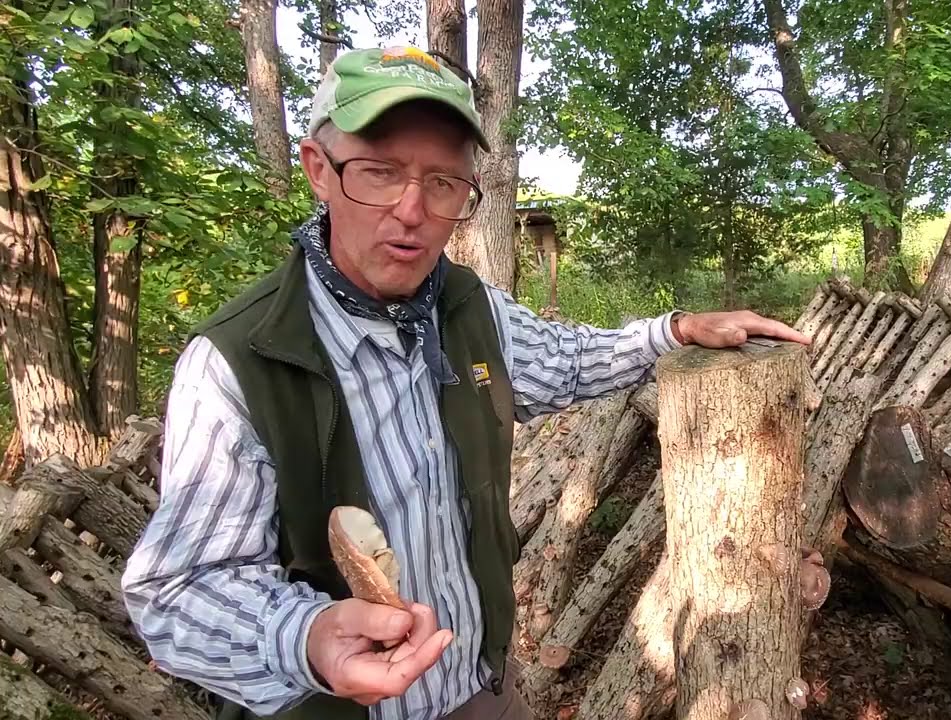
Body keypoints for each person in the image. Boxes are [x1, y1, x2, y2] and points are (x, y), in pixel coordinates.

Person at [120, 45, 809, 720]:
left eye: (444, 182)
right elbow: (178, 592)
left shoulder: (468, 307)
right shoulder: (239, 362)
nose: (413, 211)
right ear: (318, 170)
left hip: (481, 689)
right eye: (380, 171)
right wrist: (306, 637)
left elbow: (566, 359)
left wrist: (674, 331)